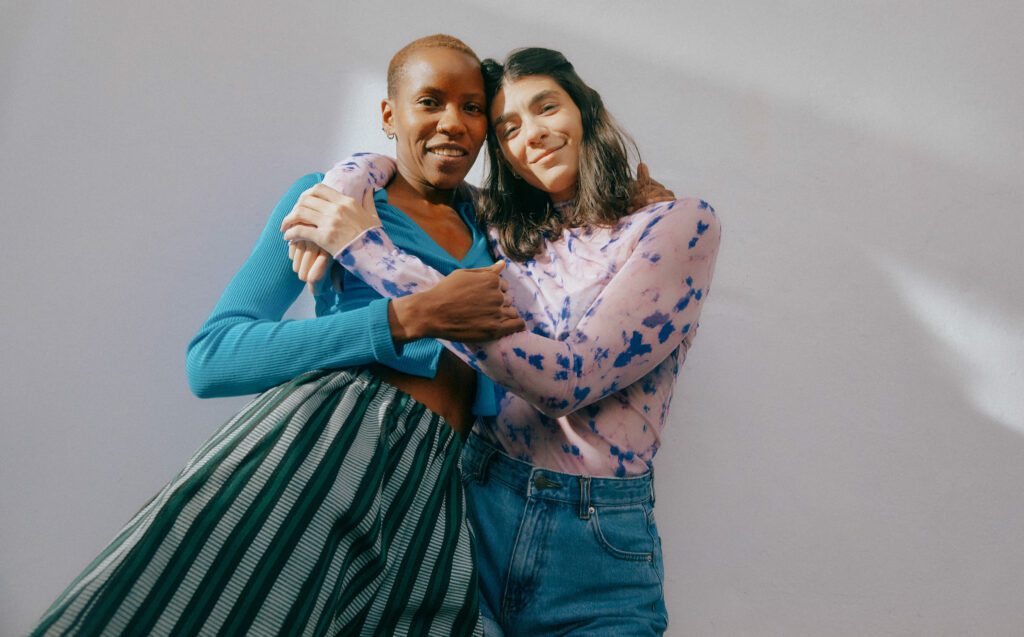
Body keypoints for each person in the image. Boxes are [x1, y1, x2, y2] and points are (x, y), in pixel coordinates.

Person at [28, 34, 522, 637]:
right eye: (431, 101)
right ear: (390, 114)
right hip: (327, 446)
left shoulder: (500, 230)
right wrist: (406, 318)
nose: (453, 122)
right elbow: (212, 359)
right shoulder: (330, 199)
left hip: (439, 485)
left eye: (472, 107)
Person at [283, 47, 722, 636]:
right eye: (509, 128)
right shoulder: (501, 227)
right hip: (471, 509)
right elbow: (399, 166)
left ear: (585, 112)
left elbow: (568, 381)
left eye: (547, 109)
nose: (532, 135)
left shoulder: (677, 225)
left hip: (595, 548)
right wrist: (340, 185)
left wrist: (364, 248)